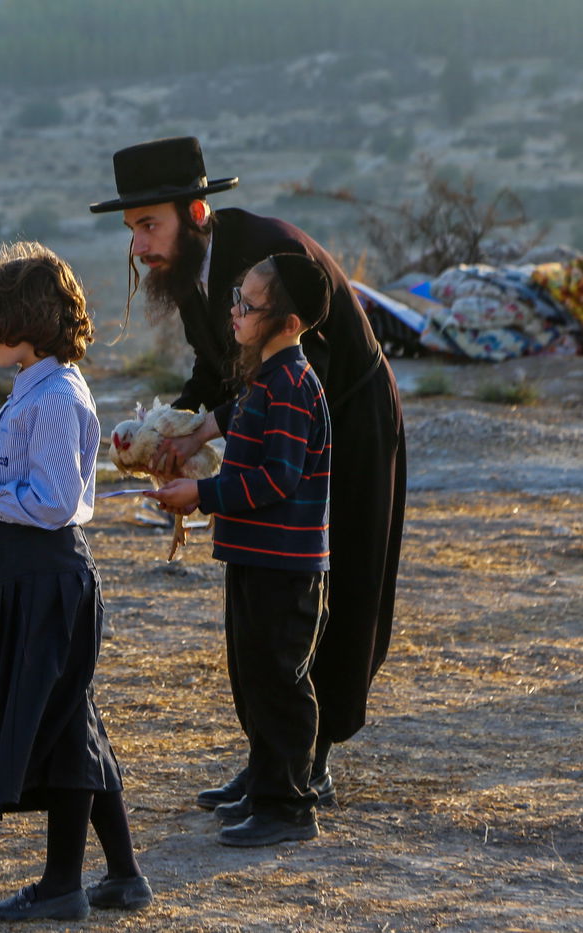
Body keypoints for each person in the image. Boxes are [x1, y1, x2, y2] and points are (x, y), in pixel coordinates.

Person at [90, 136, 406, 811]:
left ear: (196, 212)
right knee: (260, 606)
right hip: (276, 419)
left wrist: (208, 429)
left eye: (150, 225)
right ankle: (269, 761)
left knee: (331, 588)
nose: (140, 246)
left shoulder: (265, 260)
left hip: (348, 420)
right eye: (132, 229)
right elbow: (215, 368)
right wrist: (161, 430)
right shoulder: (197, 269)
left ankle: (304, 766)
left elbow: (299, 373)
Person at [0, 242, 151, 922]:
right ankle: (124, 875)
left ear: (24, 317)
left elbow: (52, 501)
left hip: (51, 578)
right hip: (33, 579)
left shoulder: (55, 397)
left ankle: (62, 885)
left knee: (63, 726)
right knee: (74, 717)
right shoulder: (37, 387)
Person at [148, 253, 333, 847]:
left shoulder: (292, 386)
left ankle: (289, 805)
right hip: (255, 557)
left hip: (286, 563)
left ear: (289, 322)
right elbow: (243, 413)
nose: (234, 312)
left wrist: (200, 493)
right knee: (250, 674)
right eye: (237, 296)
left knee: (279, 680)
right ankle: (262, 778)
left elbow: (277, 478)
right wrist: (204, 429)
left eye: (249, 306)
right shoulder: (267, 378)